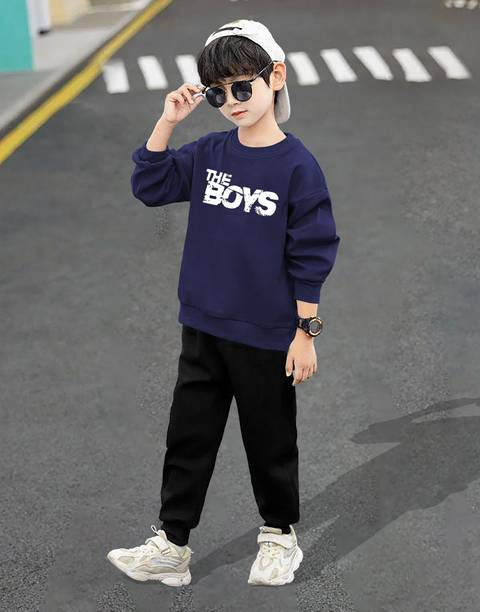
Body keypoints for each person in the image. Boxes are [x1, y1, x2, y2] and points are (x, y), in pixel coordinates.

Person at [107, 18, 340, 587]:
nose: (231, 101)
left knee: (270, 441)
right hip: (203, 328)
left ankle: (279, 537)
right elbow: (151, 186)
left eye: (242, 86)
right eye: (218, 93)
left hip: (265, 335)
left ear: (275, 77)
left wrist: (305, 333)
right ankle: (172, 545)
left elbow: (312, 251)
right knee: (188, 437)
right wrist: (168, 121)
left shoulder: (297, 166)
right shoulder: (209, 152)